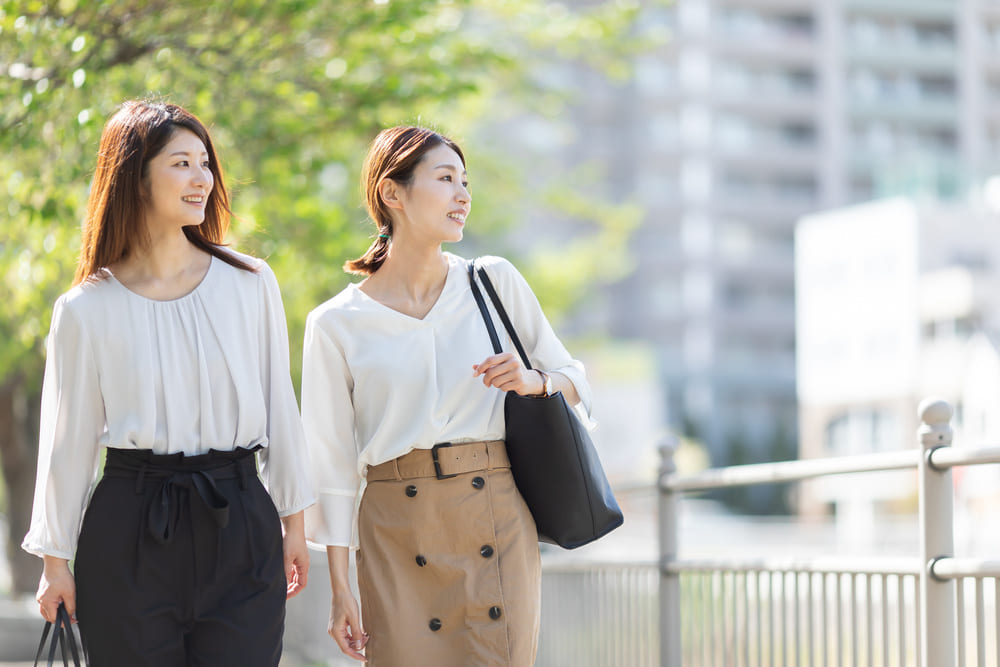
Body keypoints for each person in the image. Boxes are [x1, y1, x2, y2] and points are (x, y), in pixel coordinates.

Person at [22, 99, 316, 666]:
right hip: (130, 528)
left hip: (240, 521)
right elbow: (68, 441)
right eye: (181, 163)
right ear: (134, 177)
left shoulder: (250, 282)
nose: (202, 178)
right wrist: (54, 563)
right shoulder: (85, 308)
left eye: (205, 163)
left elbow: (283, 408)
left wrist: (294, 524)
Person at [301, 126, 594, 665]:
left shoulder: (493, 282)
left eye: (466, 182)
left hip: (494, 517)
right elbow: (331, 468)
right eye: (445, 179)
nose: (464, 195)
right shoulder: (335, 324)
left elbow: (576, 379)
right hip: (394, 530)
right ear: (393, 193)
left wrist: (535, 382)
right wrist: (341, 589)